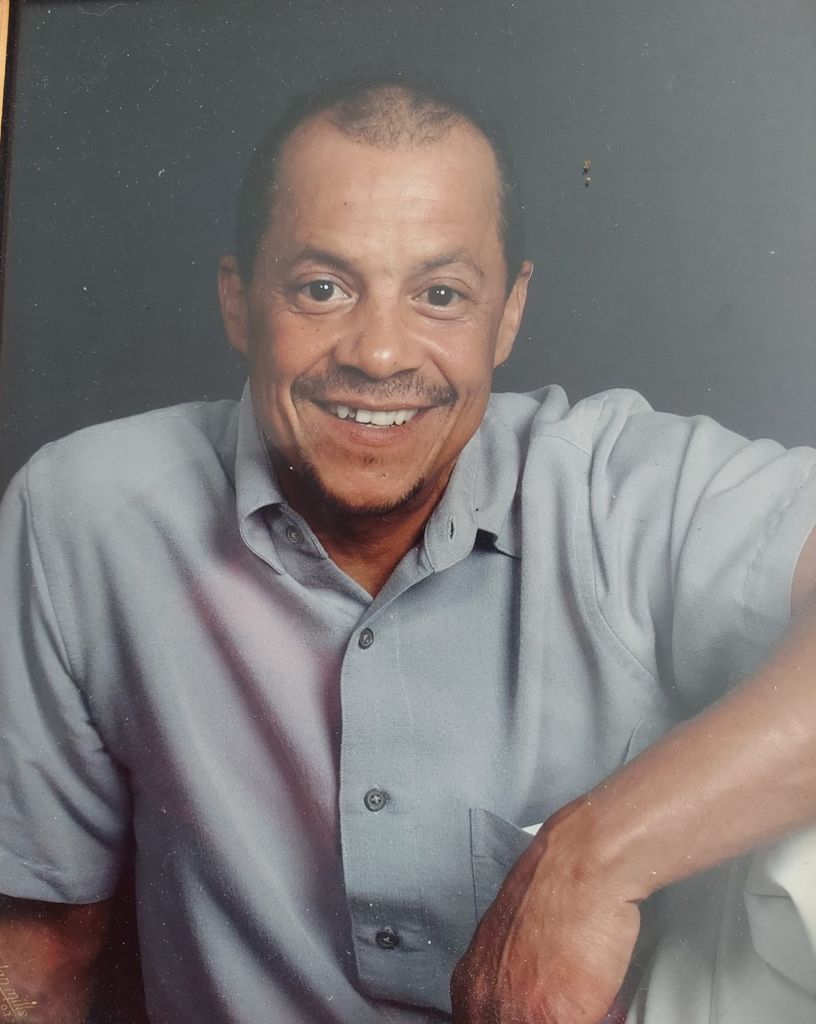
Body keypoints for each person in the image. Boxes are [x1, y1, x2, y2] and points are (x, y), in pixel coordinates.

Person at [0, 74, 815, 1024]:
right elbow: (40, 953)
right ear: (238, 300)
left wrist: (595, 856)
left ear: (508, 313)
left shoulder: (620, 488)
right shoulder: (83, 515)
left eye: (439, 294)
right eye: (322, 288)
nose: (379, 353)